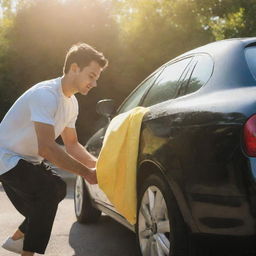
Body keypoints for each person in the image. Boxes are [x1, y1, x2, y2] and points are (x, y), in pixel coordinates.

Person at [0, 43, 108, 256]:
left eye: (97, 78)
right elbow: (47, 148)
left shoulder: (72, 103)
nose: (94, 83)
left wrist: (98, 166)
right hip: (6, 156)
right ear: (74, 68)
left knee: (56, 190)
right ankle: (26, 251)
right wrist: (87, 174)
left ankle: (18, 239)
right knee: (49, 192)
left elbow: (72, 145)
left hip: (27, 160)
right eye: (92, 76)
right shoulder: (46, 95)